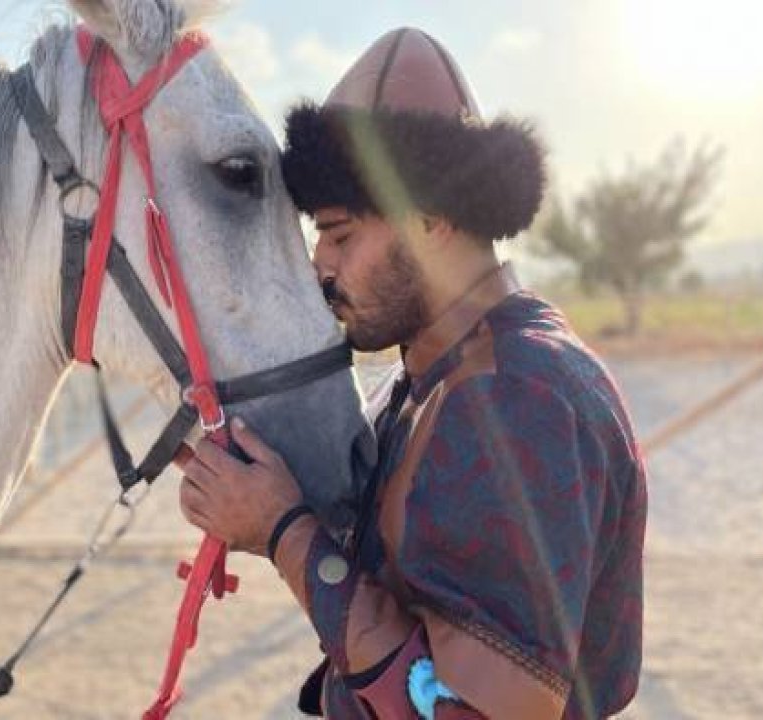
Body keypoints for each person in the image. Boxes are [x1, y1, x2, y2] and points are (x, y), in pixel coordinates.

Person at [175, 27, 646, 719]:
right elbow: (401, 600)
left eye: (339, 235)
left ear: (432, 222)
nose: (319, 267)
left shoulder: (517, 395)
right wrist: (257, 499)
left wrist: (284, 531)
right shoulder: (428, 378)